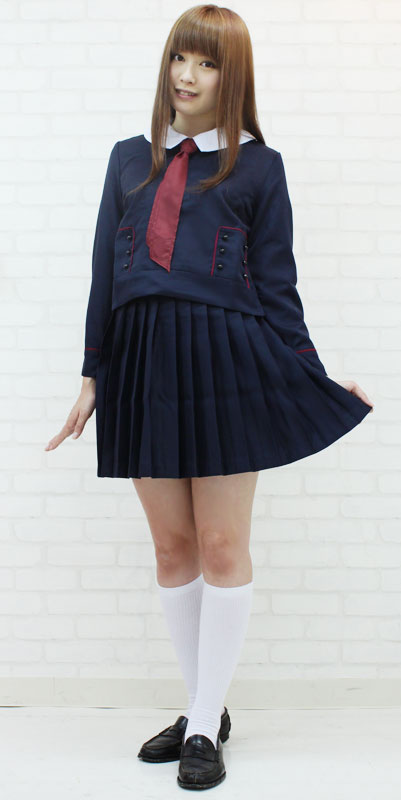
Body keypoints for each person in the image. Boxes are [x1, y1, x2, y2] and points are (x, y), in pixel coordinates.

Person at [44, 4, 374, 792]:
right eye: (179, 58)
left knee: (222, 546)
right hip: (141, 361)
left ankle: (200, 724)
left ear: (232, 78)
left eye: (207, 63)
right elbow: (105, 272)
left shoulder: (259, 167)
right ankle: (204, 708)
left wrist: (311, 372)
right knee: (172, 550)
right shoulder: (128, 158)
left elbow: (278, 285)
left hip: (227, 358)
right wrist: (92, 373)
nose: (187, 77)